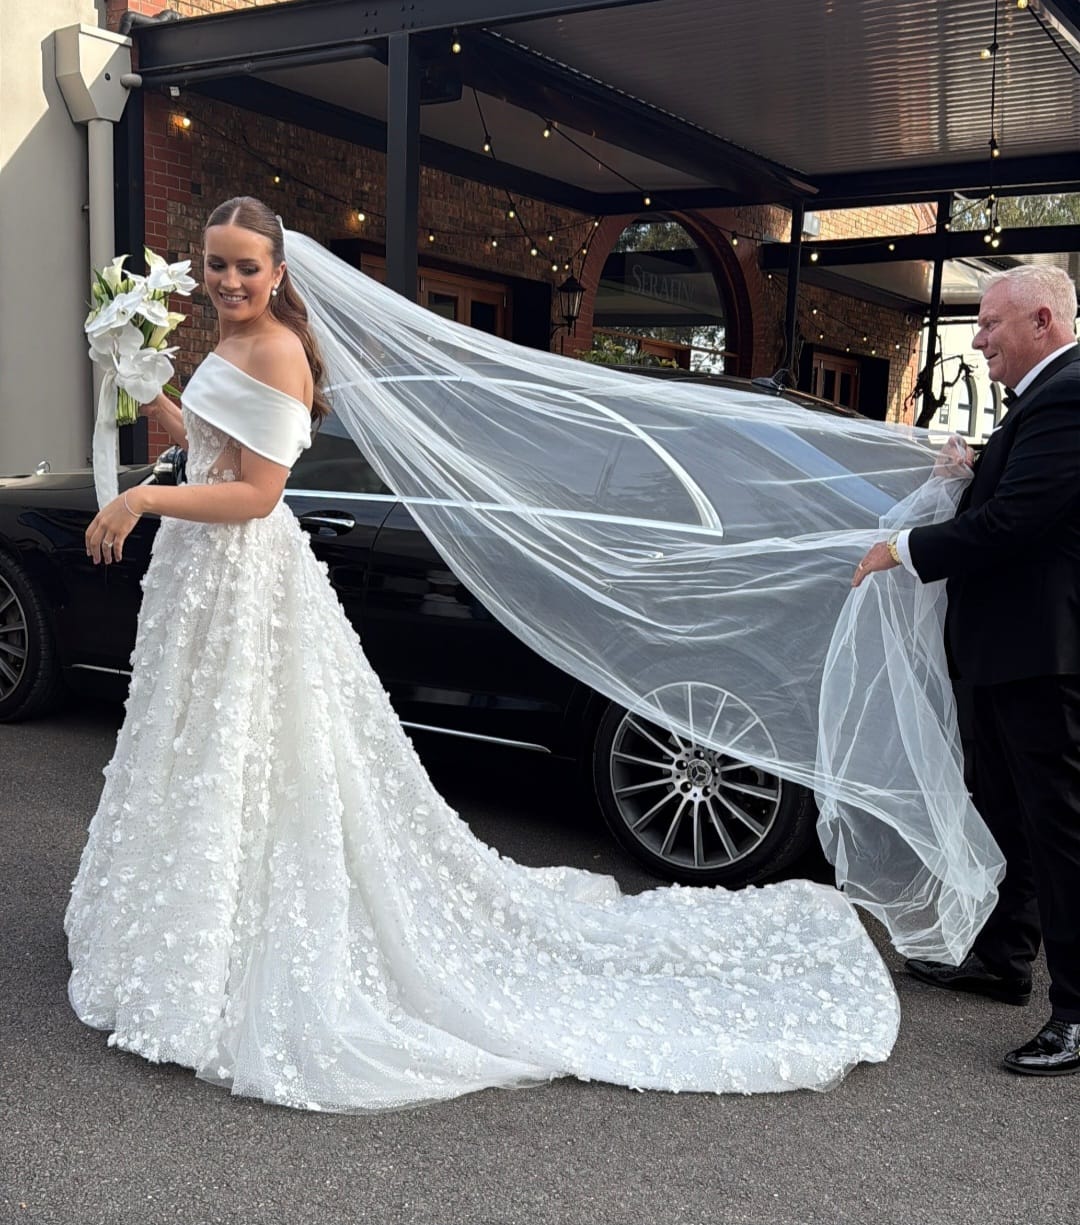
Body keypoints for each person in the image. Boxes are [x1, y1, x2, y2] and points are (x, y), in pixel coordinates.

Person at [67, 196, 899, 1112]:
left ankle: (247, 932)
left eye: (245, 268)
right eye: (215, 264)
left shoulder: (278, 350)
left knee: (260, 753)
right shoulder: (230, 345)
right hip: (202, 585)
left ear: (279, 274)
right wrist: (146, 383)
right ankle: (201, 925)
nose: (228, 281)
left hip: (242, 576)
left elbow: (258, 496)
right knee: (207, 750)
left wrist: (139, 503)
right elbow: (213, 451)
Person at [853, 264, 1080, 1076]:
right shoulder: (1046, 400)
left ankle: (1076, 1013)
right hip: (1004, 648)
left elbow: (1020, 520)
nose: (978, 338)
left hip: (1042, 655)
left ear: (1043, 321)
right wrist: (973, 467)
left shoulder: (1070, 393)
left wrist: (902, 547)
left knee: (1060, 832)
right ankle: (1002, 959)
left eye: (989, 324)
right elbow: (1021, 490)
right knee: (1005, 814)